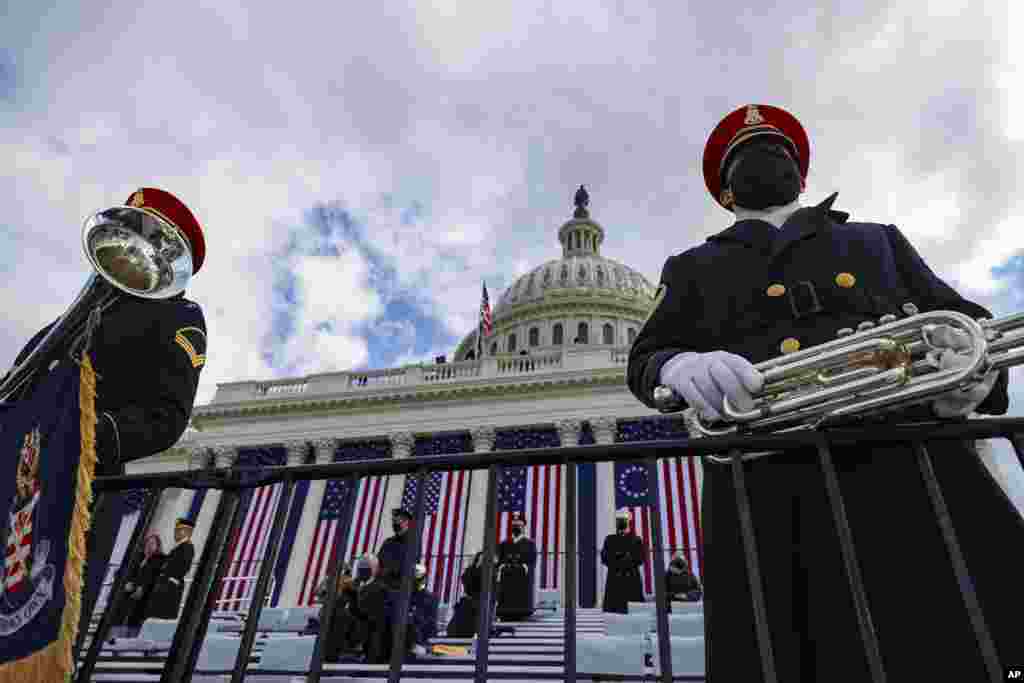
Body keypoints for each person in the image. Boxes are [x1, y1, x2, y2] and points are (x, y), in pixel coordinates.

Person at [627, 103, 1024, 681]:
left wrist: (972, 375)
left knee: (968, 641)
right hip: (771, 486)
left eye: (777, 150)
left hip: (912, 465)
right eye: (744, 158)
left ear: (802, 175)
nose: (766, 161)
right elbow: (646, 357)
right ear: (726, 194)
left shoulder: (878, 240)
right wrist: (680, 364)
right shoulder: (693, 267)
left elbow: (967, 322)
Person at [2, 188, 207, 651]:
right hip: (13, 486)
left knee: (38, 644)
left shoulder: (179, 315)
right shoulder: (62, 322)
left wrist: (79, 435)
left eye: (144, 244)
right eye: (124, 238)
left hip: (78, 492)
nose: (129, 254)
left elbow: (167, 417)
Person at [107, 533, 166, 637]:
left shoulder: (161, 560)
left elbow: (155, 578)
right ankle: (112, 638)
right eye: (147, 543)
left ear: (158, 546)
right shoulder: (137, 556)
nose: (149, 545)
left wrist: (141, 587)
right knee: (119, 612)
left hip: (144, 597)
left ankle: (128, 640)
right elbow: (123, 571)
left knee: (134, 619)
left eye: (152, 543)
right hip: (128, 594)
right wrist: (126, 582)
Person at [143, 517, 196, 620]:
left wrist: (169, 579)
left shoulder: (187, 547)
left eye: (178, 530)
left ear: (186, 532)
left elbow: (183, 567)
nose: (175, 533)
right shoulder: (179, 546)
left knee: (162, 616)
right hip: (165, 584)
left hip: (170, 587)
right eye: (176, 530)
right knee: (156, 614)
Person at [599, 509, 645, 614]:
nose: (621, 523)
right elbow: (604, 558)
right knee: (613, 614)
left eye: (623, 520)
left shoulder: (636, 539)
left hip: (631, 580)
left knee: (634, 612)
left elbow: (640, 559)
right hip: (615, 581)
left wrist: (622, 559)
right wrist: (621, 558)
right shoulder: (609, 539)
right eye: (619, 521)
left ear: (628, 522)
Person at [495, 513, 537, 621]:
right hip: (507, 577)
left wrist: (523, 566)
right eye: (514, 524)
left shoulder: (530, 543)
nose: (516, 527)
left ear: (523, 527)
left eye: (519, 524)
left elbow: (532, 561)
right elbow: (499, 560)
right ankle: (504, 613)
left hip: (522, 579)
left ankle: (523, 612)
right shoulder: (504, 543)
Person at [406, 563, 439, 657]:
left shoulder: (430, 598)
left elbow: (430, 625)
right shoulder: (404, 597)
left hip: (422, 643)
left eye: (418, 580)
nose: (415, 583)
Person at [377, 508, 413, 584]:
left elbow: (409, 567)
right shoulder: (388, 542)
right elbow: (378, 562)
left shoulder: (413, 543)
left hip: (400, 586)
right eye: (393, 521)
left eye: (397, 521)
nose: (394, 524)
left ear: (406, 521)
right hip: (383, 585)